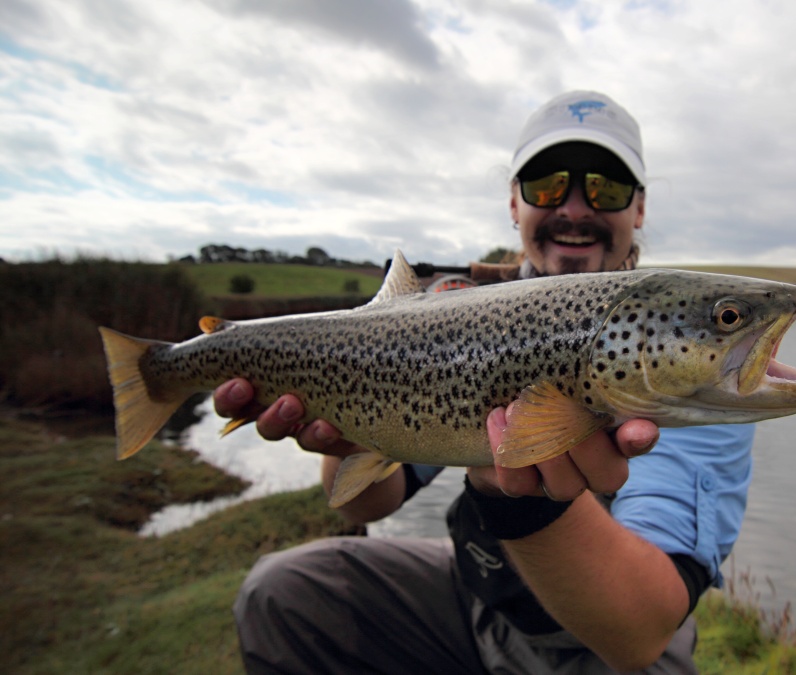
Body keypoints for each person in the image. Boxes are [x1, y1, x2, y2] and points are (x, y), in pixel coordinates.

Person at [219, 91, 754, 674]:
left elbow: (641, 631)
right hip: (478, 601)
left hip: (599, 647)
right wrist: (349, 429)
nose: (575, 209)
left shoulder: (699, 373)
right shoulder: (458, 314)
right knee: (283, 594)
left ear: (640, 209)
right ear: (513, 203)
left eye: (606, 188)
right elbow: (375, 497)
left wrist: (519, 505)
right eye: (547, 186)